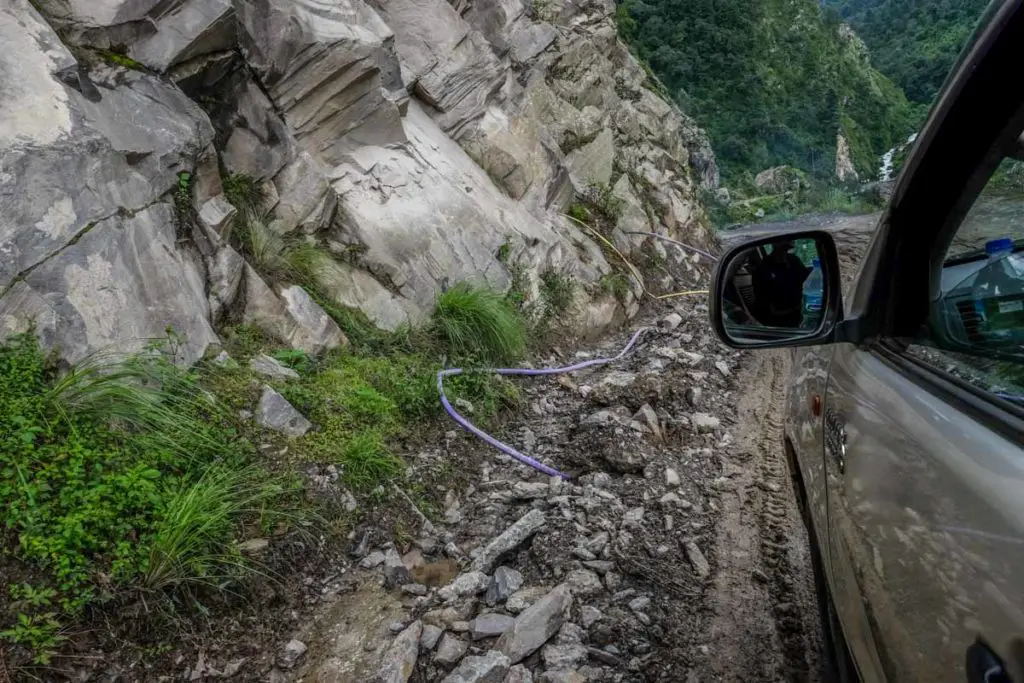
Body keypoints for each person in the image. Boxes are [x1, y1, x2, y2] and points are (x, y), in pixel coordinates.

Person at [750, 241, 811, 327]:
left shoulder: (794, 261)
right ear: (775, 242)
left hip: (800, 315)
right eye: (786, 236)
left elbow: (808, 282)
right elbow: (766, 307)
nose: (791, 238)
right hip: (778, 323)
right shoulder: (763, 269)